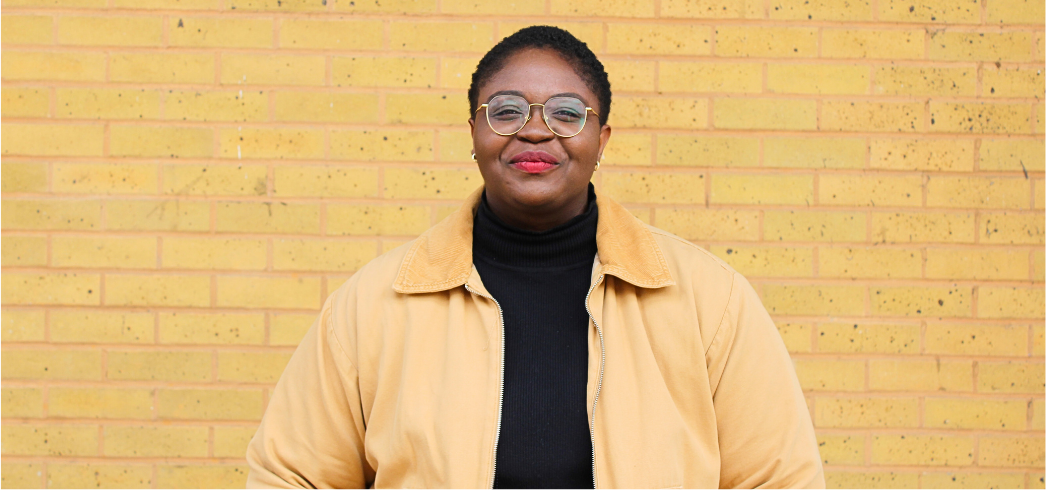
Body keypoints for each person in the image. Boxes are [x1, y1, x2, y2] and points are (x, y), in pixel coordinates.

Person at [246, 26, 825, 489]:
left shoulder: (708, 300)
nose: (535, 131)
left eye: (568, 113)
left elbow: (778, 479)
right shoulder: (374, 304)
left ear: (602, 139)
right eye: (505, 111)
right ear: (473, 129)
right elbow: (291, 475)